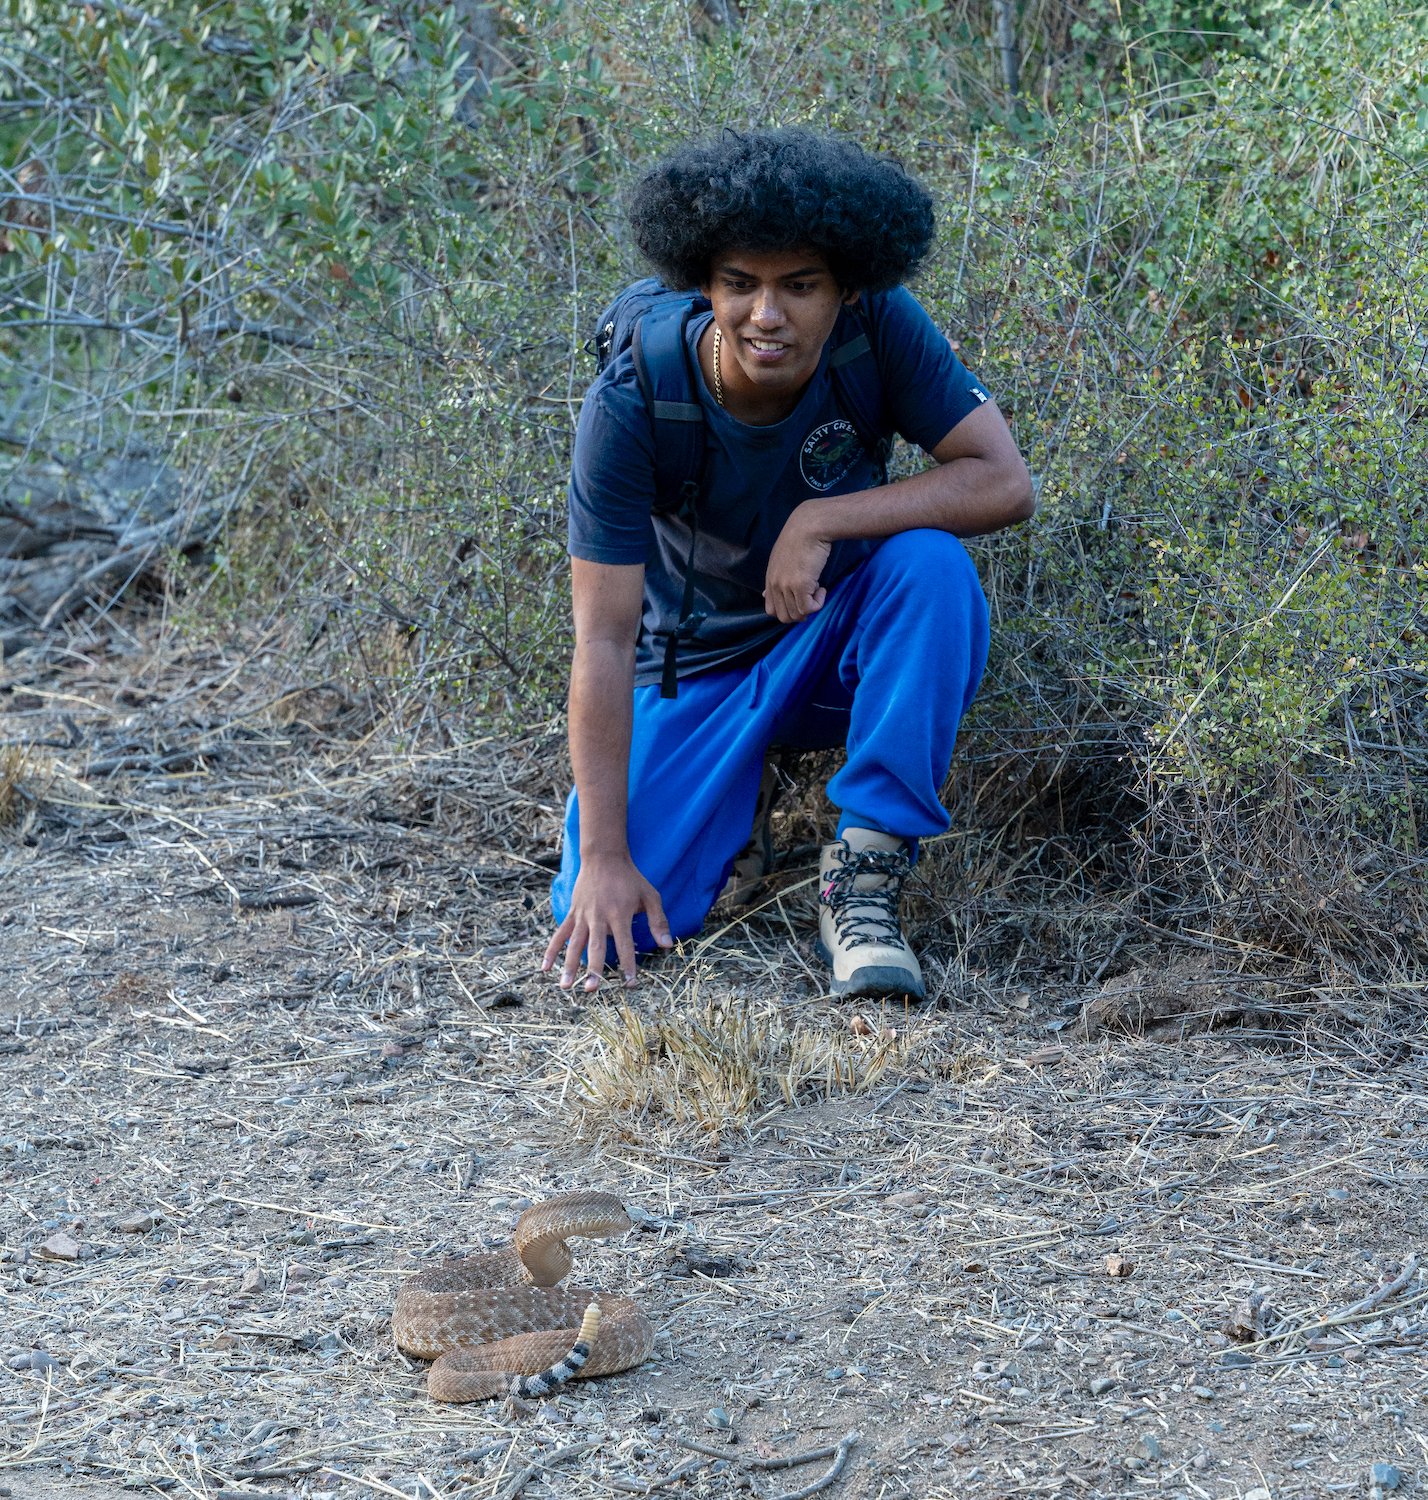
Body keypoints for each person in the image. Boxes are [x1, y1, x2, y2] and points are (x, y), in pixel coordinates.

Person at [540, 128, 1034, 1001]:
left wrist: (822, 520)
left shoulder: (878, 329)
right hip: (692, 669)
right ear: (702, 283)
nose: (767, 315)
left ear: (845, 290)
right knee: (631, 925)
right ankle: (743, 805)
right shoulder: (635, 398)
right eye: (741, 284)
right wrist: (607, 858)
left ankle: (865, 879)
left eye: (799, 286)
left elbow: (1003, 482)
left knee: (929, 568)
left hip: (826, 639)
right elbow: (605, 641)